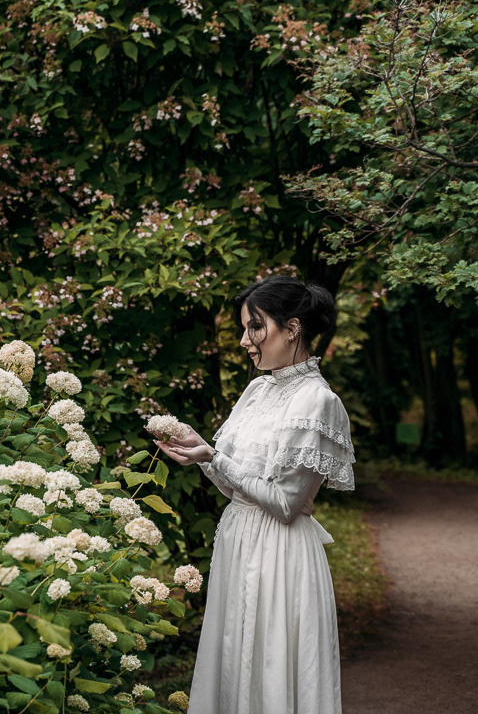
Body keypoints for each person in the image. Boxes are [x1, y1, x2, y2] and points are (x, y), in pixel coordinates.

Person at [157, 275, 355, 714]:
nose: (246, 340)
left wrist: (214, 456)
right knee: (232, 662)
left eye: (256, 327)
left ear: (293, 328)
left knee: (272, 662)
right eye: (245, 329)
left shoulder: (318, 401)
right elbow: (234, 485)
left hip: (280, 554)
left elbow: (285, 503)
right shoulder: (257, 389)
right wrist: (200, 452)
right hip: (238, 541)